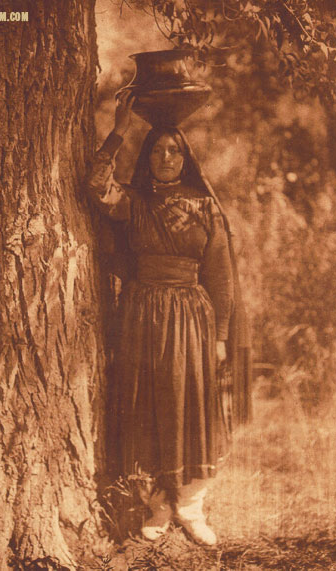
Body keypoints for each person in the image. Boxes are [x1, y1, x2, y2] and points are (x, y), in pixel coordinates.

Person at [87, 91, 251, 545]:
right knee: (148, 404)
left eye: (173, 150)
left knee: (192, 403)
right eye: (157, 150)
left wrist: (219, 337)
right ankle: (157, 504)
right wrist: (118, 130)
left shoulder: (205, 207)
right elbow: (96, 184)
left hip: (192, 318)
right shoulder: (134, 202)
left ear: (185, 158)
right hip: (141, 316)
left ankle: (192, 506)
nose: (164, 157)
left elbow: (220, 277)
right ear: (148, 156)